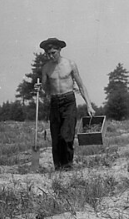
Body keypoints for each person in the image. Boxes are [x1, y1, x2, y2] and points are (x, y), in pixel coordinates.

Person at [39, 38, 95, 171]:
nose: (51, 56)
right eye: (48, 54)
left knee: (67, 135)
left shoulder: (70, 64)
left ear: (59, 50)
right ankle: (58, 167)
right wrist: (39, 88)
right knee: (56, 138)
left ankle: (67, 166)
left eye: (53, 52)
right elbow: (44, 89)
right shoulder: (46, 68)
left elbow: (81, 86)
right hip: (54, 102)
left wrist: (89, 105)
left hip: (68, 101)